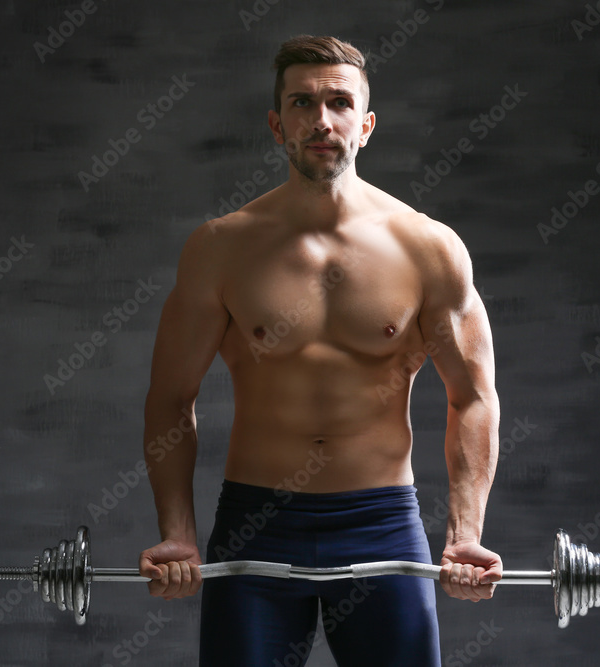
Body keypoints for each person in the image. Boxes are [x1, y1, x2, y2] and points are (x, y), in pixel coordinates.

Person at [137, 34, 502, 666]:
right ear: (278, 125)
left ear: (366, 123)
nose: (321, 119)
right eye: (302, 103)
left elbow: (473, 396)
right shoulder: (221, 248)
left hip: (381, 521)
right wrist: (177, 534)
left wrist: (465, 534)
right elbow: (170, 400)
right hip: (257, 524)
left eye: (338, 102)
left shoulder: (429, 249)